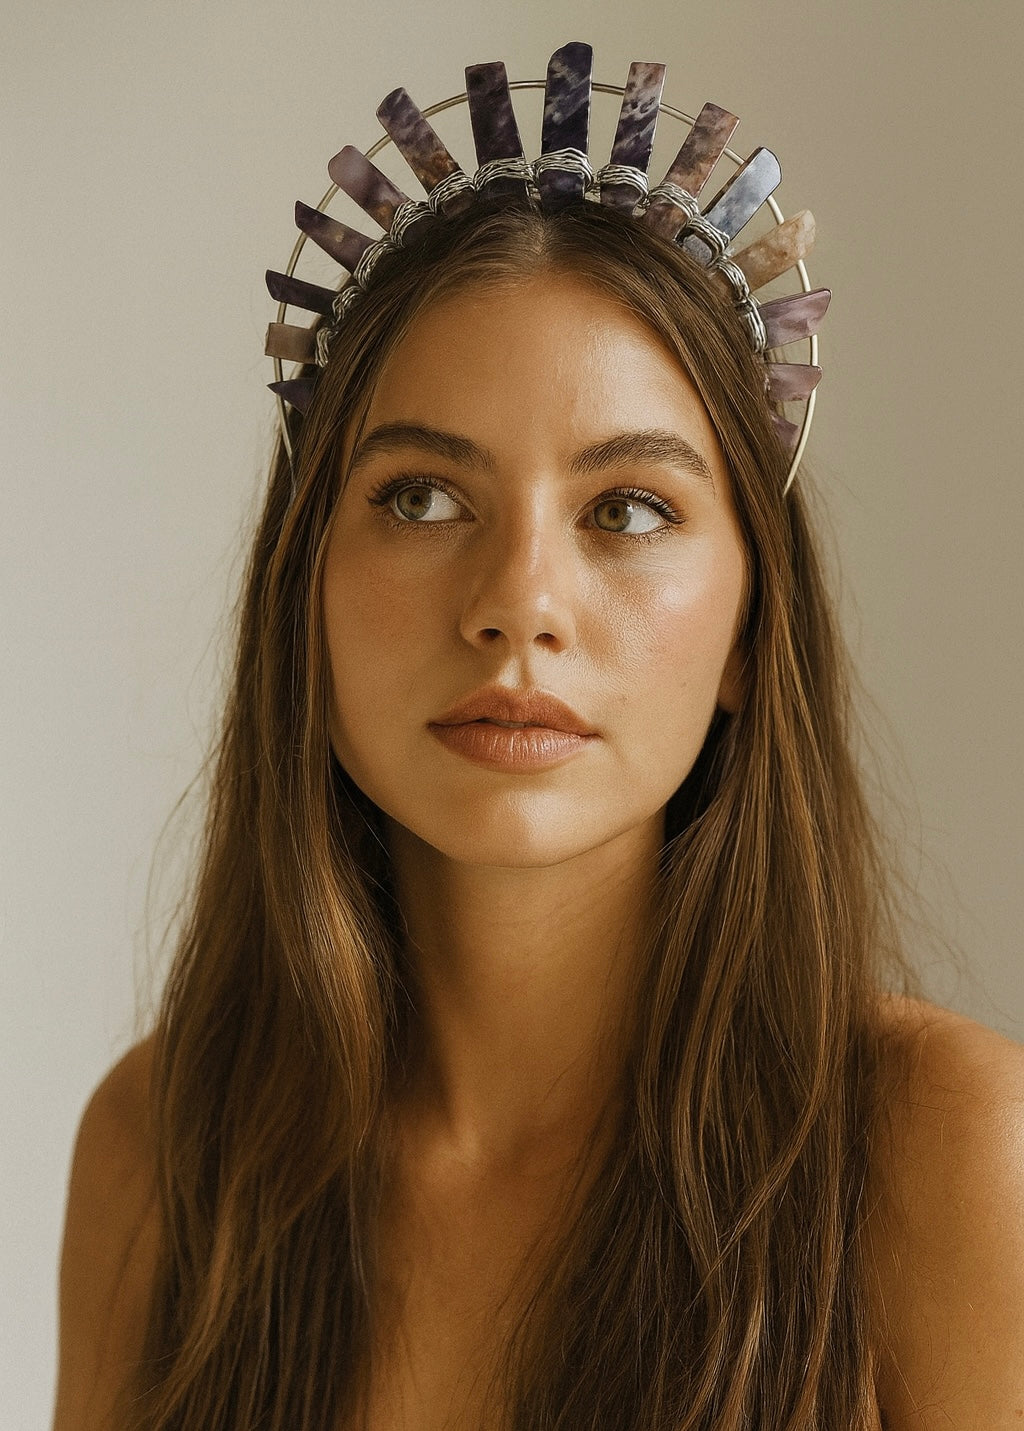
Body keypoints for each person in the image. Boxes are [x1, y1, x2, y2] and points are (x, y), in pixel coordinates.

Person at [52, 45, 1024, 1431]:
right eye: (422, 498)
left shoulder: (951, 1157)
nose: (518, 603)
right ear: (303, 593)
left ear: (752, 629)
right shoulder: (164, 1157)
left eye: (627, 509)